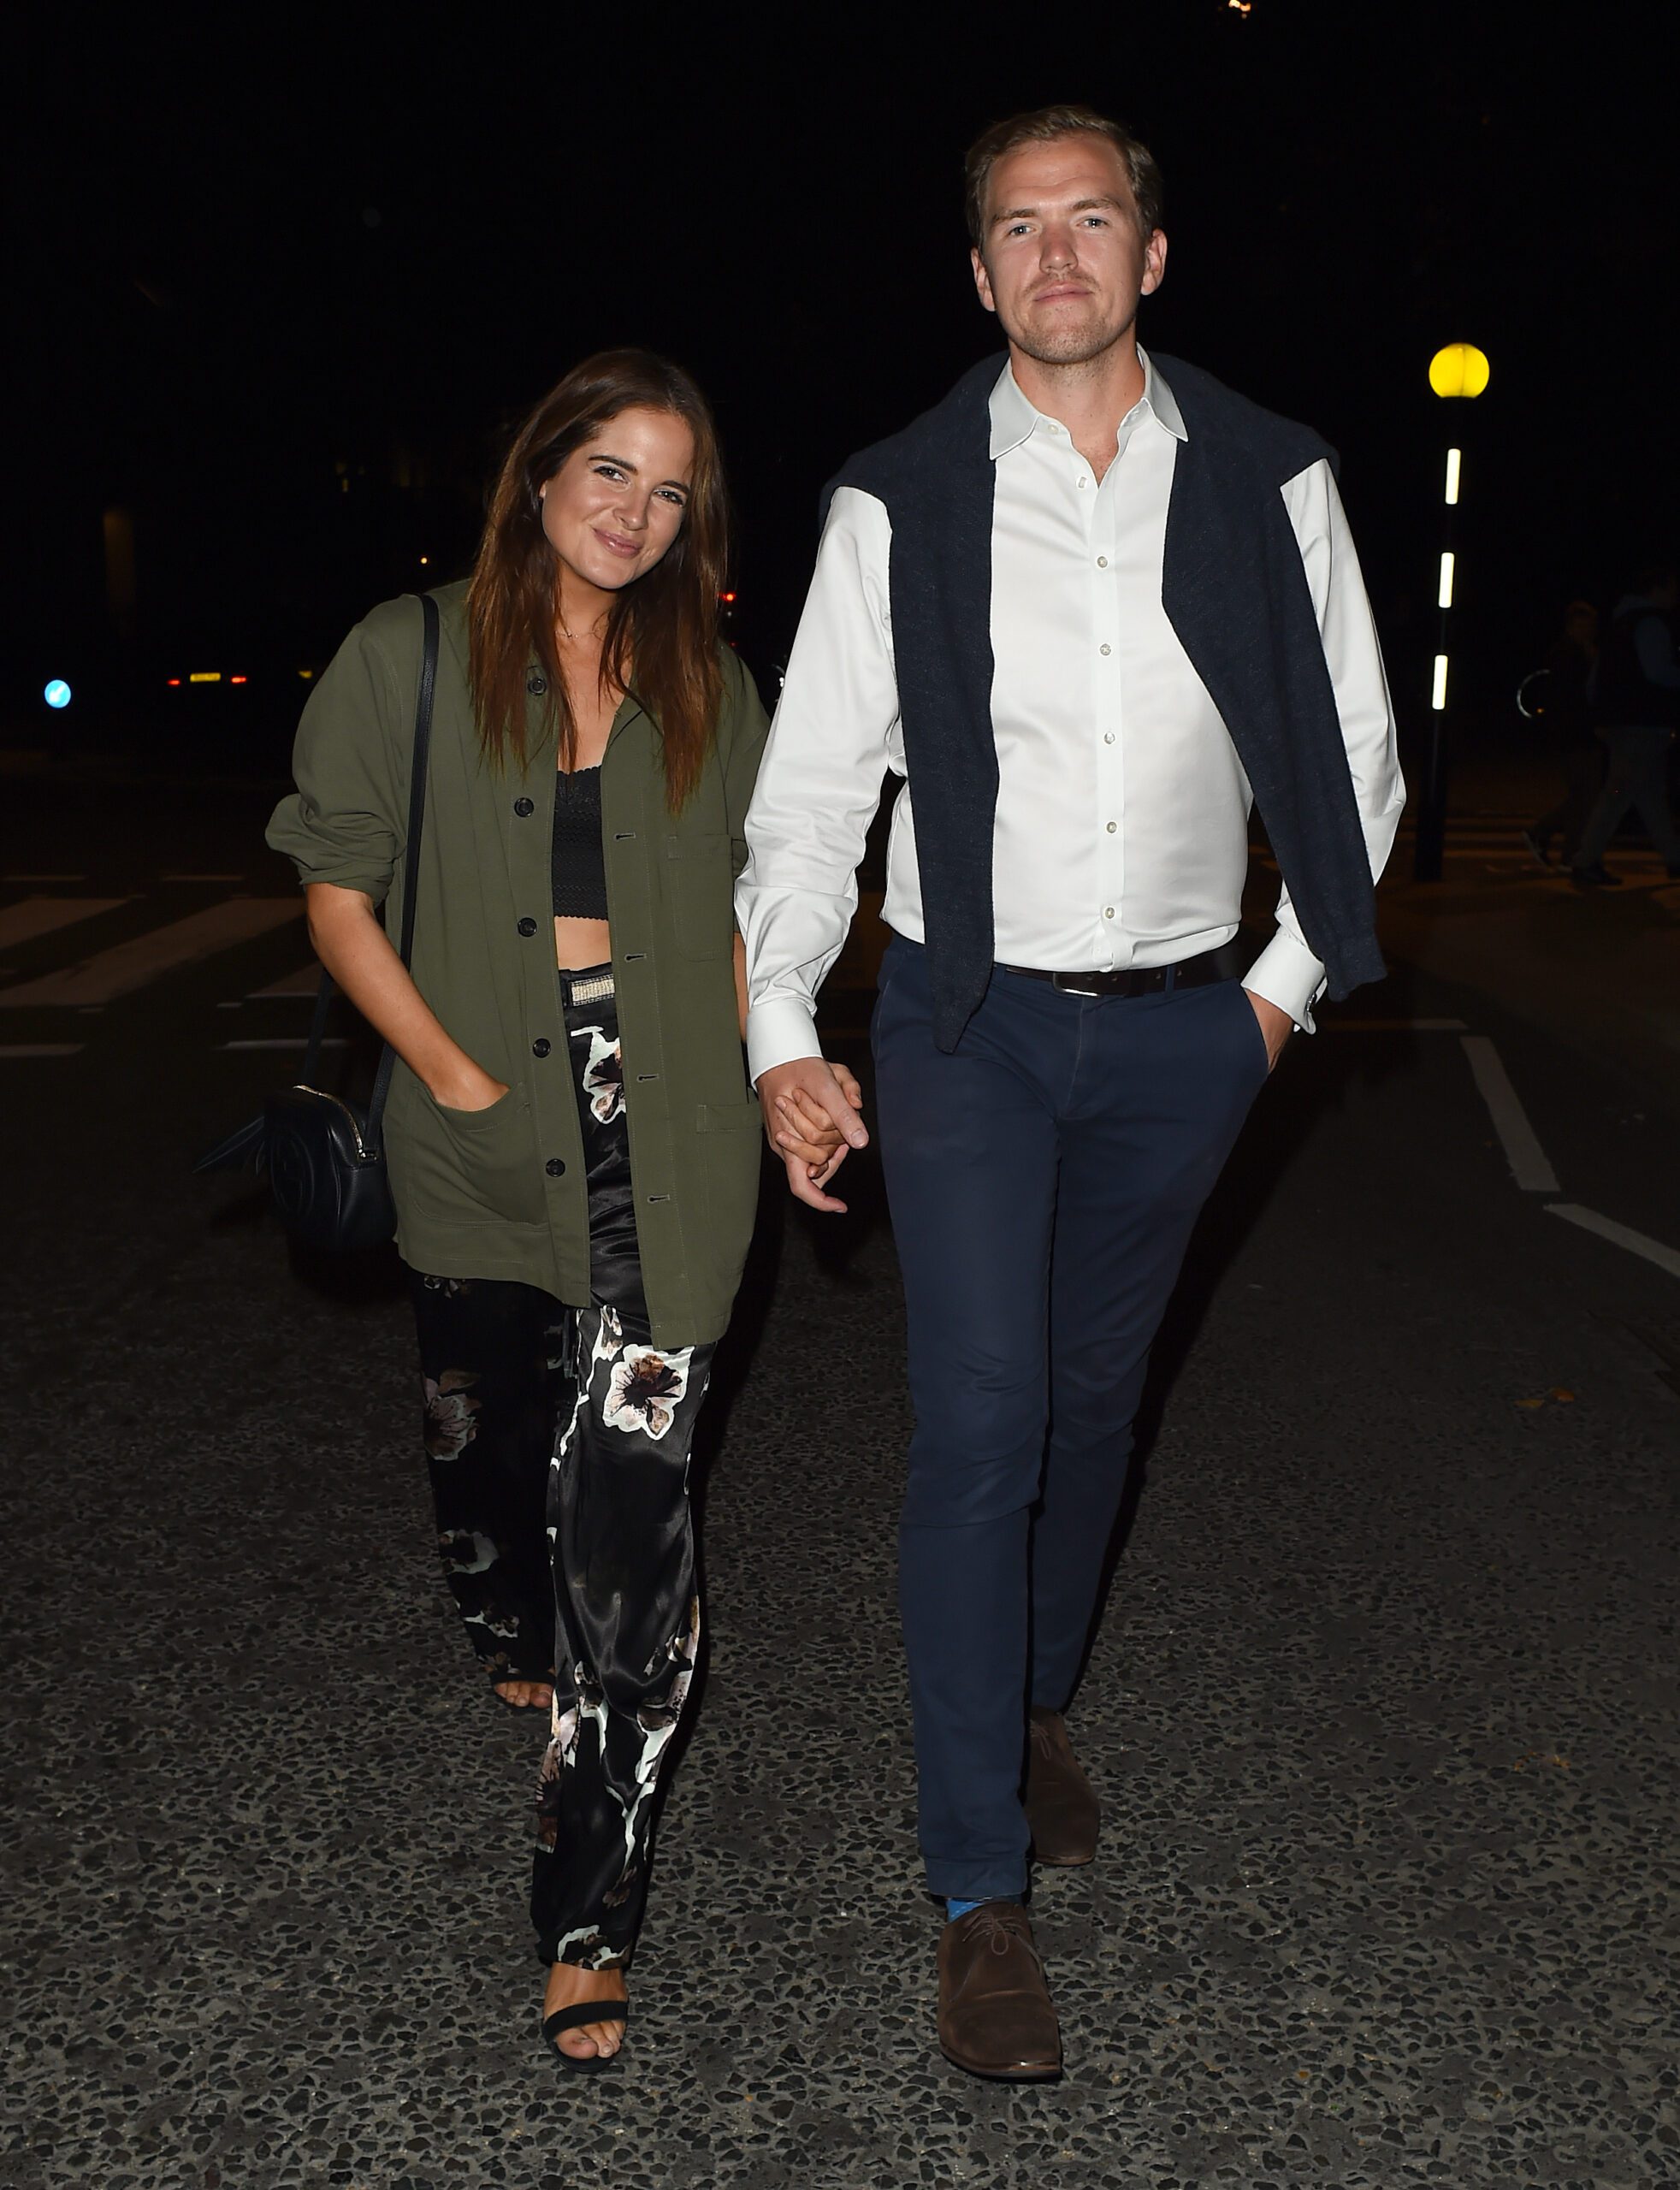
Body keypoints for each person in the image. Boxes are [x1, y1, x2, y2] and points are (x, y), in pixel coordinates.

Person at [736, 104, 1404, 2080]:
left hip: (1190, 1026)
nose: (1052, 257)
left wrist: (1275, 1002)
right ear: (974, 275)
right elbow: (814, 792)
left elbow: (1356, 756)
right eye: (1014, 229)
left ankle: (1027, 1700)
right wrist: (785, 1025)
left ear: (1149, 254)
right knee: (984, 1418)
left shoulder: (1272, 478)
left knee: (1100, 1395)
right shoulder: (901, 498)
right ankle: (975, 1894)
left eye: (1086, 220)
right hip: (965, 1024)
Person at [267, 350, 770, 2069]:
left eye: (671, 487)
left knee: (631, 1524)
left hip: (676, 1139)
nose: (636, 512)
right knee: (485, 1444)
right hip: (479, 1131)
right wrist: (462, 1080)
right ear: (540, 472)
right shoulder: (405, 654)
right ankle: (507, 1615)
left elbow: (737, 920)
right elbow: (338, 900)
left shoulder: (710, 683)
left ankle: (583, 1907)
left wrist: (782, 1073)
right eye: (609, 471)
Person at [1569, 560, 1680, 888]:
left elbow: (1594, 683)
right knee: (1620, 794)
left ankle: (1674, 857)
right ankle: (1585, 861)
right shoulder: (1651, 624)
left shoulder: (1621, 624)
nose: (1676, 595)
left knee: (1645, 796)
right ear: (1657, 589)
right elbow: (1658, 672)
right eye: (1673, 587)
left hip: (1624, 725)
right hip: (1642, 725)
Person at [1521, 601, 1600, 868]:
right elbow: (1575, 697)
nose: (1585, 631)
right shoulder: (1568, 654)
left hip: (1579, 733)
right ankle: (1562, 845)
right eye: (1580, 626)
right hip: (1574, 734)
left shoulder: (1579, 652)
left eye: (1589, 626)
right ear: (1570, 627)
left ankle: (1546, 834)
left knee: (1585, 795)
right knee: (1585, 796)